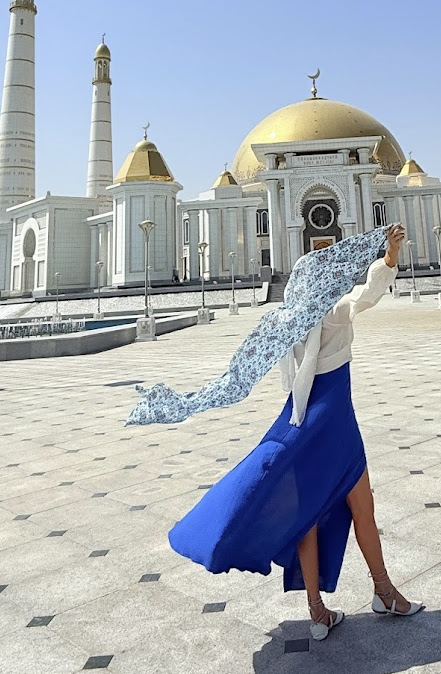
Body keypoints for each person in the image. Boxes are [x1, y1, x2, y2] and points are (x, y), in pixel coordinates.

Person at [131, 224, 423, 641]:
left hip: (300, 425)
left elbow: (239, 376)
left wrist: (189, 401)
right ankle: (383, 591)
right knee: (363, 510)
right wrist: (390, 257)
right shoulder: (330, 313)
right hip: (335, 427)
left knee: (307, 517)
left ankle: (318, 611)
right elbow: (364, 296)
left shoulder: (282, 323)